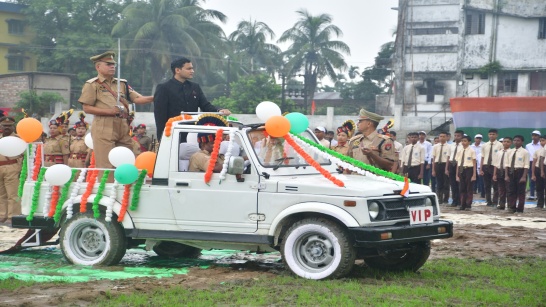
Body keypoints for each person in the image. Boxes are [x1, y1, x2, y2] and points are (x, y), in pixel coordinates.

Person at [78, 51, 154, 168]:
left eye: (113, 64)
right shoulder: (92, 85)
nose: (112, 66)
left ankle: (125, 186)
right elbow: (86, 108)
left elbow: (138, 99)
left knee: (126, 161)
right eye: (108, 64)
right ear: (98, 67)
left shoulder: (121, 84)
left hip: (122, 125)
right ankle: (107, 185)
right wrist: (110, 112)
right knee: (106, 164)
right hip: (104, 125)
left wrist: (157, 97)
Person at [153, 57, 231, 141]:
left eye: (192, 68)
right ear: (177, 70)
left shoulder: (195, 87)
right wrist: (162, 137)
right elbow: (159, 115)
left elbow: (205, 106)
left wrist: (219, 110)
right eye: (189, 69)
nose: (192, 71)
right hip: (173, 133)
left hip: (192, 133)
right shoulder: (164, 88)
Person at [347, 109, 397, 173]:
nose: (357, 124)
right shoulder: (354, 141)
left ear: (369, 124)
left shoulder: (384, 141)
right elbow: (349, 162)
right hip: (356, 179)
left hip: (374, 180)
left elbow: (390, 165)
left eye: (360, 121)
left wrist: (372, 155)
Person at [0, 116, 23, 225]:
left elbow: (24, 155)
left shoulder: (18, 139)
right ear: (1, 126)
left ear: (13, 126)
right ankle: (2, 215)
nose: (7, 128)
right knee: (1, 194)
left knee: (12, 194)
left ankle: (12, 216)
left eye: (9, 126)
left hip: (12, 167)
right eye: (4, 126)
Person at [505, 135, 530, 213]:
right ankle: (512, 207)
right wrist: (506, 175)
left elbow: (526, 165)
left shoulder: (525, 152)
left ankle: (520, 208)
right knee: (511, 191)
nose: (516, 142)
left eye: (518, 140)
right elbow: (507, 164)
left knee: (521, 191)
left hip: (520, 171)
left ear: (522, 142)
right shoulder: (510, 151)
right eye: (515, 140)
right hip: (511, 171)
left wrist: (523, 176)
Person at [480, 129, 503, 207]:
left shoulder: (500, 145)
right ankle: (488, 200)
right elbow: (482, 157)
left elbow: (500, 157)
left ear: (497, 135)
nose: (491, 135)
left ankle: (495, 201)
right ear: (488, 135)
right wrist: (481, 169)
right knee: (487, 185)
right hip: (486, 165)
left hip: (495, 166)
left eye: (493, 134)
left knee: (495, 185)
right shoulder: (484, 145)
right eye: (490, 134)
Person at [455, 135, 477, 211]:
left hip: (469, 169)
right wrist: (457, 175)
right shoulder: (459, 150)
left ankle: (468, 204)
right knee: (462, 188)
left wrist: (474, 174)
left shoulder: (472, 150)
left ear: (469, 142)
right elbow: (458, 163)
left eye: (465, 141)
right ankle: (462, 204)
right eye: (462, 141)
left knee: (469, 188)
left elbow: (474, 163)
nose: (463, 142)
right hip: (461, 169)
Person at [445, 130, 464, 207]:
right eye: (455, 135)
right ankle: (454, 200)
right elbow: (448, 157)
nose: (456, 137)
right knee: (452, 184)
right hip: (451, 164)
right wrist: (446, 168)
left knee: (459, 183)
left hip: (459, 164)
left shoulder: (463, 145)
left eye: (458, 136)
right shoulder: (451, 145)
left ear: (462, 136)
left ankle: (460, 200)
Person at [493, 137, 512, 210]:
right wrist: (494, 174)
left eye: (508, 142)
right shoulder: (499, 152)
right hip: (499, 171)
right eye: (504, 141)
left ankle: (510, 204)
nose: (505, 143)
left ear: (511, 143)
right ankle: (501, 204)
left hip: (507, 171)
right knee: (501, 189)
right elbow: (496, 164)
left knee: (509, 189)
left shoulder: (511, 152)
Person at [432, 131, 450, 204]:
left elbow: (448, 158)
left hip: (445, 164)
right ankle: (440, 198)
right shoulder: (435, 146)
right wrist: (433, 170)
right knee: (439, 183)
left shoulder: (449, 146)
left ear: (447, 137)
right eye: (440, 136)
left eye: (443, 136)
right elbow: (434, 158)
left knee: (446, 183)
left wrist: (447, 168)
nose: (442, 138)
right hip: (437, 165)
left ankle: (446, 198)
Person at [526, 130, 542, 200]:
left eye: (536, 135)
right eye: (533, 135)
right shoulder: (528, 145)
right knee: (532, 178)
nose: (534, 137)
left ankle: (540, 195)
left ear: (539, 136)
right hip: (531, 162)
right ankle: (532, 195)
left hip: (540, 162)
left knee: (540, 179)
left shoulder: (542, 145)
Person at [531, 136, 546, 209]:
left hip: (545, 168)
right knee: (539, 188)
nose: (541, 142)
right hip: (538, 169)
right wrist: (533, 174)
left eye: (543, 140)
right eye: (540, 141)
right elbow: (534, 162)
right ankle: (540, 204)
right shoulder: (537, 151)